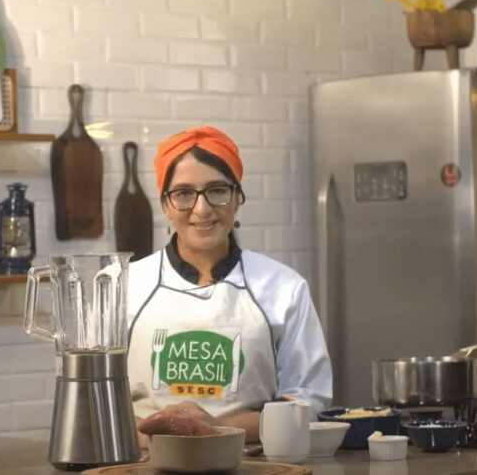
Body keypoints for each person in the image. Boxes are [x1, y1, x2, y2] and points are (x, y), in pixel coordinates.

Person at [127, 125, 332, 444]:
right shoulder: (126, 286)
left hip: (252, 463)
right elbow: (96, 405)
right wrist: (170, 433)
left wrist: (212, 429)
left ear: (237, 197)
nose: (202, 209)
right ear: (165, 204)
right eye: (183, 194)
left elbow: (307, 402)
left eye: (217, 190)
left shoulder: (283, 287)